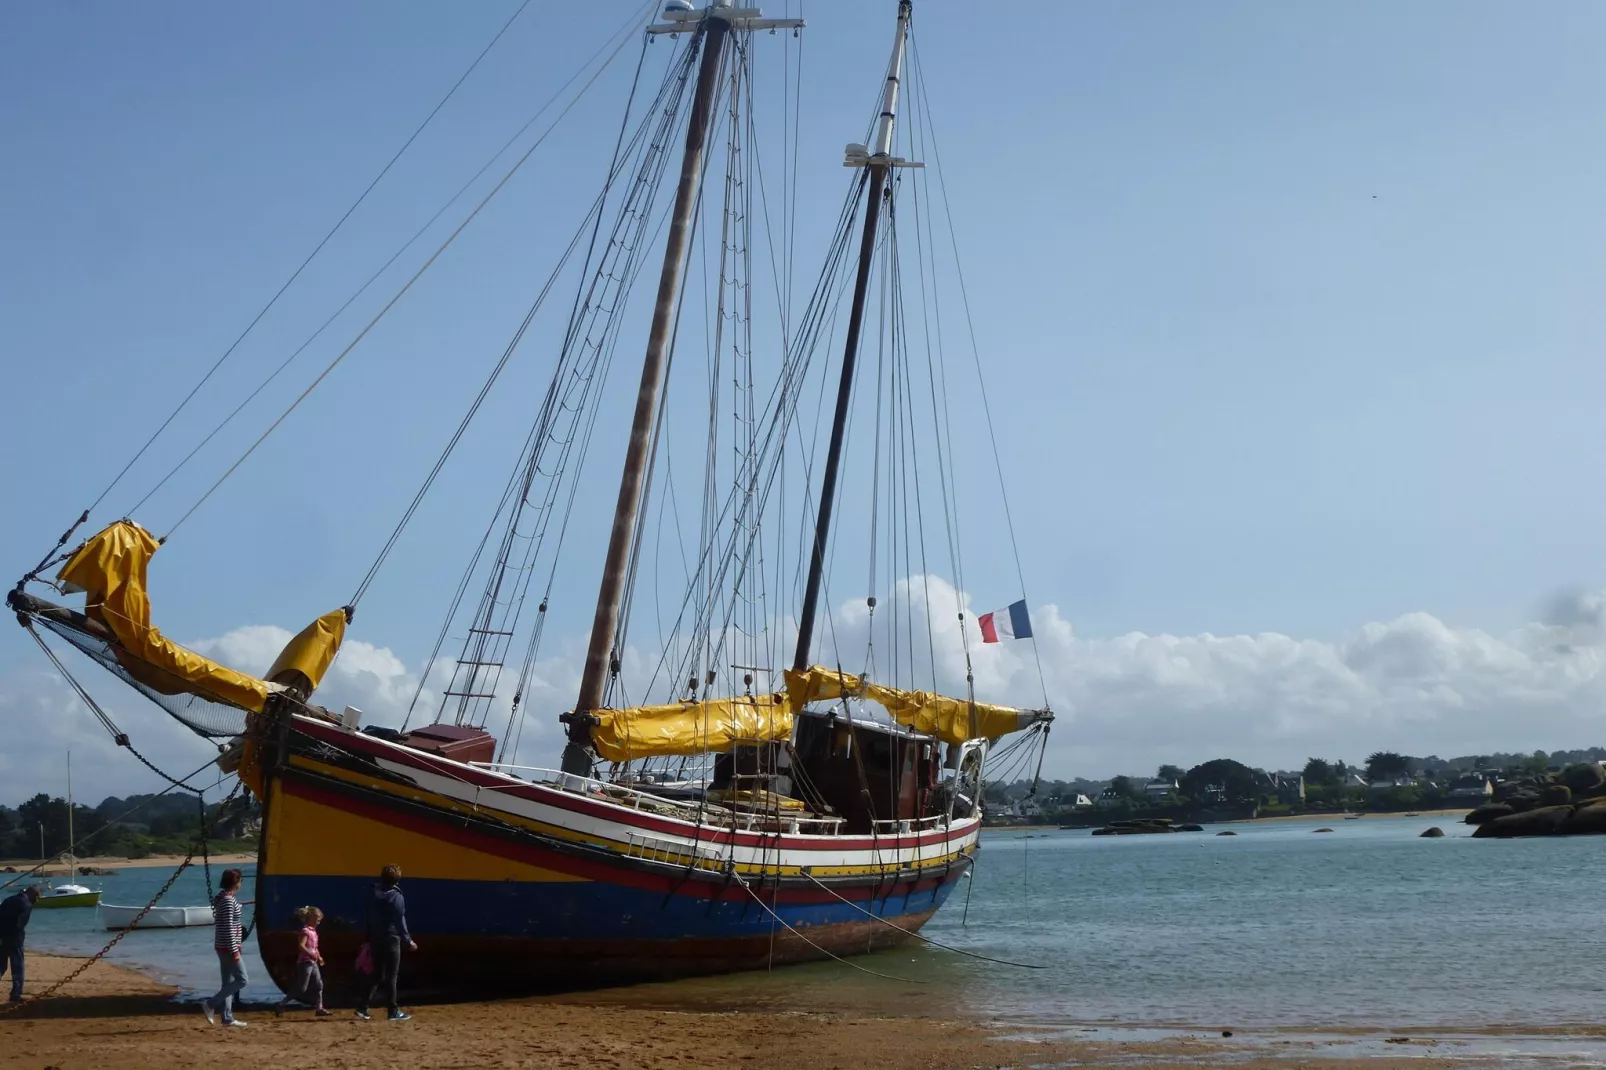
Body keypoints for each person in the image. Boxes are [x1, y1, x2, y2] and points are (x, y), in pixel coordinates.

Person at [355, 864, 416, 1022]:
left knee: (376, 975)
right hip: (391, 939)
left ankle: (362, 1007)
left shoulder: (372, 893)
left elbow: (369, 916)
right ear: (397, 880)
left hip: (375, 937)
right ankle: (393, 1011)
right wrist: (408, 940)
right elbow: (399, 920)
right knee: (391, 976)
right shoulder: (396, 897)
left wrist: (367, 938)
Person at [202, 868, 248, 1027]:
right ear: (236, 882)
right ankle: (210, 1004)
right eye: (241, 880)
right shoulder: (228, 900)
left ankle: (227, 1018)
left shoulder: (225, 897)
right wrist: (234, 950)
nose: (242, 883)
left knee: (227, 982)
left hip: (223, 945)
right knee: (242, 980)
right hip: (228, 947)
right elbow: (228, 926)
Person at [275, 906, 329, 1018]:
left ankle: (319, 1008)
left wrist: (319, 957)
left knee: (319, 985)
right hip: (305, 963)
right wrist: (310, 954)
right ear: (310, 918)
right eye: (317, 919)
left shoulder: (314, 932)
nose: (319, 922)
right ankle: (281, 1004)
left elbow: (315, 947)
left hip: (313, 962)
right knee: (302, 988)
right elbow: (301, 946)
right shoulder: (306, 931)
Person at [0, 887, 41, 1003]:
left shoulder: (9, 900)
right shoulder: (26, 905)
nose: (37, 900)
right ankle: (16, 993)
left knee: (1, 966)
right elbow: (19, 925)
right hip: (15, 941)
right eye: (37, 897)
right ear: (32, 895)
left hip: (2, 938)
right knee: (17, 968)